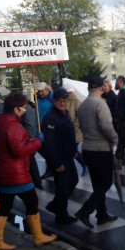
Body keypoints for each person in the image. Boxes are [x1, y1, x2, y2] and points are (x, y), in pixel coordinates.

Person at [0, 91, 56, 250]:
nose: (25, 110)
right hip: (16, 173)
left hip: (3, 171)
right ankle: (38, 236)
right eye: (23, 108)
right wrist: (37, 142)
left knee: (5, 206)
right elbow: (20, 150)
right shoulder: (14, 126)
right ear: (17, 109)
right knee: (32, 202)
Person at [74, 76, 119, 229]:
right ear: (101, 88)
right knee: (105, 183)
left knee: (97, 184)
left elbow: (78, 124)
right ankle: (84, 211)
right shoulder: (100, 103)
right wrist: (115, 138)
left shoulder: (83, 104)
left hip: (87, 147)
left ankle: (102, 214)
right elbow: (106, 126)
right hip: (100, 148)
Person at [42, 88, 78, 224]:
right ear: (54, 101)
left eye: (64, 101)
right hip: (59, 158)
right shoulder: (51, 117)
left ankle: (55, 205)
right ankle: (61, 215)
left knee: (73, 180)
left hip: (68, 156)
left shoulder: (65, 114)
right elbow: (49, 143)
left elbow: (70, 135)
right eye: (59, 101)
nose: (62, 103)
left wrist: (74, 149)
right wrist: (56, 163)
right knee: (62, 188)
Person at [66, 87, 88, 176]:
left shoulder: (77, 102)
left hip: (75, 131)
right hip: (67, 130)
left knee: (72, 151)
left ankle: (84, 164)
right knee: (69, 151)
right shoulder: (65, 101)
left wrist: (74, 126)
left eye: (70, 92)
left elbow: (80, 116)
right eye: (68, 93)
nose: (69, 94)